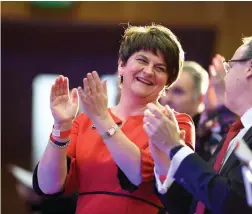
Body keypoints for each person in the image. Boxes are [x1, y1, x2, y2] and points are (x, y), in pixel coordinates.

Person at [32, 24, 195, 214]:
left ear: (168, 80)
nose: (149, 71)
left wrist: (102, 119)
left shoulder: (173, 123)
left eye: (160, 68)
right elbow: (48, 186)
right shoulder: (85, 121)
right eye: (142, 60)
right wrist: (61, 127)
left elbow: (138, 175)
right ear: (122, 65)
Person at [144, 34, 252, 214]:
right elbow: (199, 202)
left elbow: (234, 203)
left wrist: (176, 146)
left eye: (230, 66)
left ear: (251, 67)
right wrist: (164, 163)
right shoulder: (240, 129)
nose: (226, 75)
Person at [159, 61, 208, 127]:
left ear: (200, 98)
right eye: (165, 90)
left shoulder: (210, 134)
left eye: (178, 92)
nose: (167, 98)